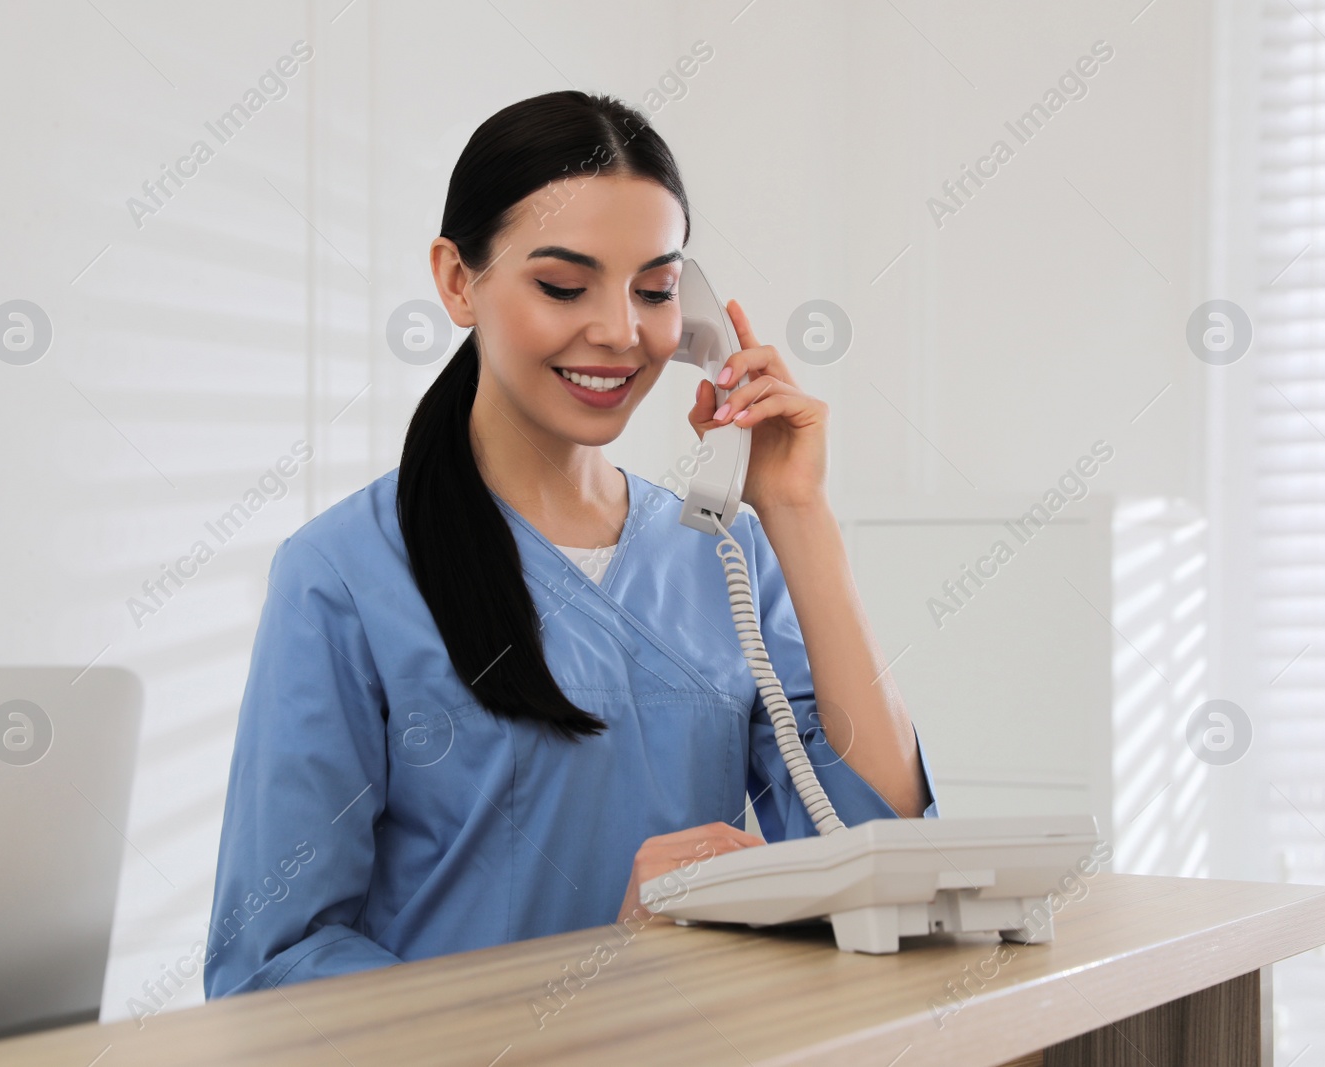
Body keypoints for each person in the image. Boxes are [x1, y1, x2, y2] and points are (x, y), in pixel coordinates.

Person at [203, 89, 937, 1000]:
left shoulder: (725, 555)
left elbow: (883, 854)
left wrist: (798, 510)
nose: (622, 333)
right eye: (562, 285)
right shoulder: (344, 574)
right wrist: (593, 977)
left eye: (658, 291)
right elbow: (271, 964)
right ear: (457, 280)